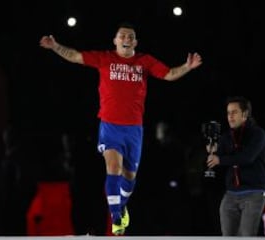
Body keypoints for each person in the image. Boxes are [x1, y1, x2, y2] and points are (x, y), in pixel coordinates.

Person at [39, 22, 202, 235]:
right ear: (115, 41)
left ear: (135, 42)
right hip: (110, 126)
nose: (126, 38)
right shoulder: (105, 59)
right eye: (122, 35)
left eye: (130, 36)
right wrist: (55, 46)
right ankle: (116, 217)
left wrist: (187, 67)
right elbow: (76, 56)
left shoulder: (145, 61)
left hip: (134, 129)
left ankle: (121, 206)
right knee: (113, 167)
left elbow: (169, 74)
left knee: (129, 176)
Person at [206, 96, 265, 236]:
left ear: (245, 114)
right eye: (228, 113)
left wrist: (220, 159)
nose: (230, 116)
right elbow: (218, 156)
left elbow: (247, 158)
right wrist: (212, 150)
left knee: (246, 235)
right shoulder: (226, 137)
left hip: (254, 193)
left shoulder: (258, 134)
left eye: (234, 112)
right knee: (228, 236)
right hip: (231, 194)